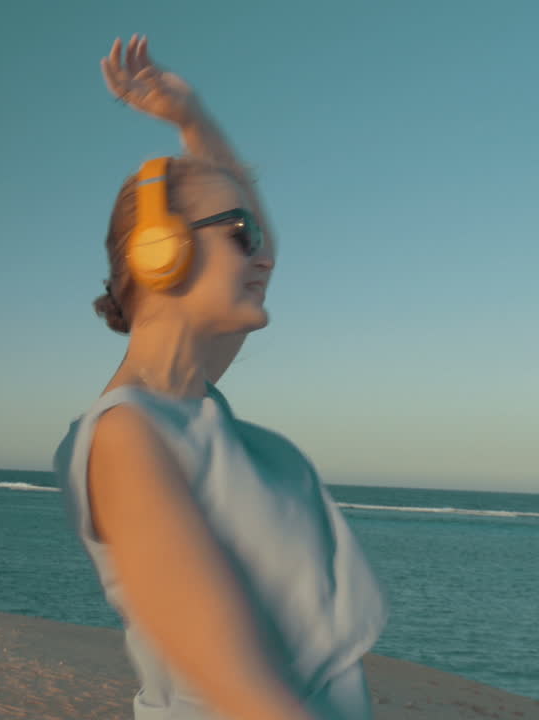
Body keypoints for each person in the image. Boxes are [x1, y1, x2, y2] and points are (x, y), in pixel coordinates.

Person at [53, 35, 388, 720]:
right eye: (239, 235)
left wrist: (192, 118)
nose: (261, 256)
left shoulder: (188, 404)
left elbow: (256, 239)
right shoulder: (126, 441)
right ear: (161, 253)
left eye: (256, 237)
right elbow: (240, 689)